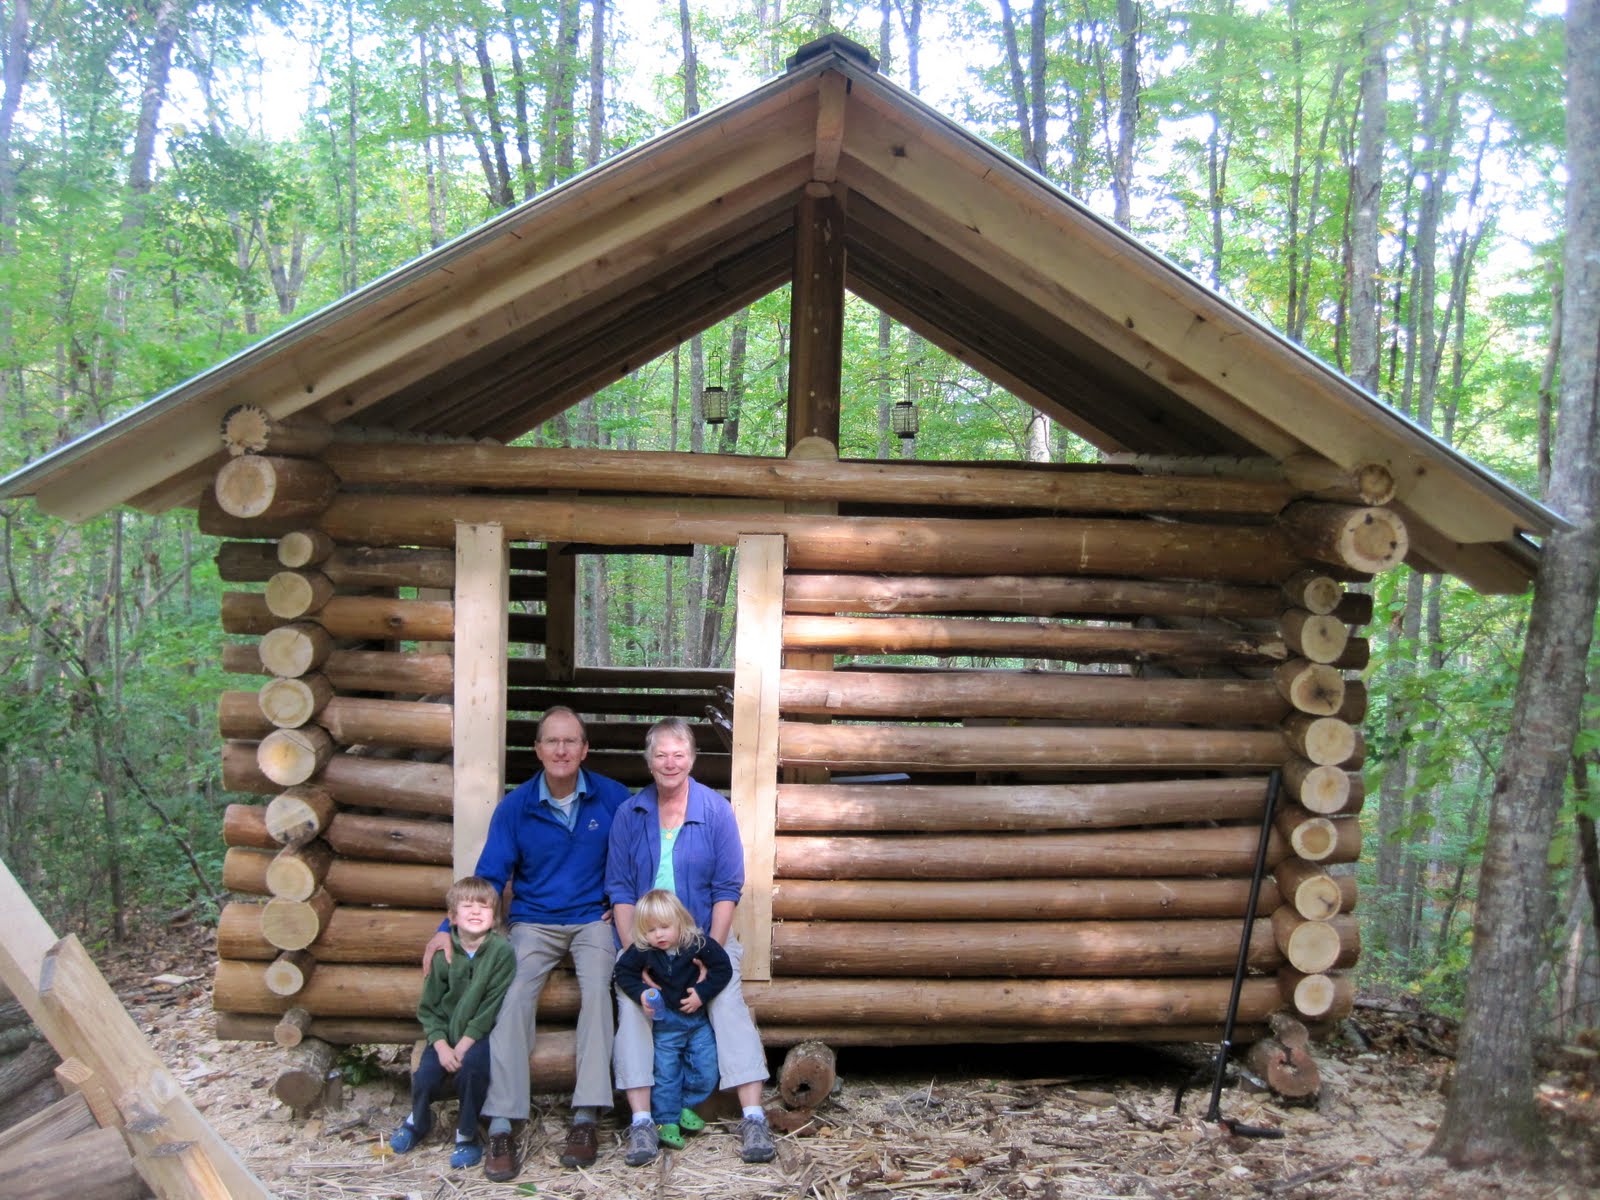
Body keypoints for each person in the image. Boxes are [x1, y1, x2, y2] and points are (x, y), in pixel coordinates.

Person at [421, 707, 630, 1179]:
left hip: (591, 920)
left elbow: (638, 857)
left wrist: (619, 905)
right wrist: (444, 928)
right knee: (511, 996)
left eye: (570, 741)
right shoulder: (516, 807)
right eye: (552, 742)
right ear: (537, 750)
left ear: (584, 749)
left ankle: (585, 1115)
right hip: (532, 922)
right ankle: (501, 1121)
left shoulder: (614, 799)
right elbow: (490, 877)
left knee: (600, 991)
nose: (561, 750)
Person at [606, 716, 775, 1167]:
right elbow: (620, 888)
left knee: (727, 1004)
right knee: (634, 1007)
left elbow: (727, 888)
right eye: (660, 754)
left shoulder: (715, 809)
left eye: (678, 754)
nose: (669, 763)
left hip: (705, 940)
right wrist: (631, 953)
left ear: (693, 759)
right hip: (645, 943)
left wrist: (710, 955)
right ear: (648, 761)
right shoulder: (631, 812)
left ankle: (754, 1115)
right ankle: (642, 1122)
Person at [390, 876, 516, 1169]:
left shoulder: (502, 953)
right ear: (452, 917)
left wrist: (464, 1046)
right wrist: (443, 1046)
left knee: (472, 1072)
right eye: (467, 906)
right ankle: (418, 1121)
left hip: (479, 1036)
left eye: (483, 907)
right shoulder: (443, 954)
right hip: (444, 1036)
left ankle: (466, 1134)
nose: (475, 912)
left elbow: (490, 1006)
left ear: (494, 915)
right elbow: (429, 1008)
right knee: (424, 1077)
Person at [613, 888, 733, 1151]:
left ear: (681, 921)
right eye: (651, 930)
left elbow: (723, 968)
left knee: (707, 1068)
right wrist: (642, 993)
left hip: (697, 1022)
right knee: (666, 1073)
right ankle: (666, 1121)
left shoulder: (698, 944)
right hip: (666, 1025)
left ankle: (684, 1106)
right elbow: (624, 972)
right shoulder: (644, 951)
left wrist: (702, 993)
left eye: (665, 927)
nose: (659, 935)